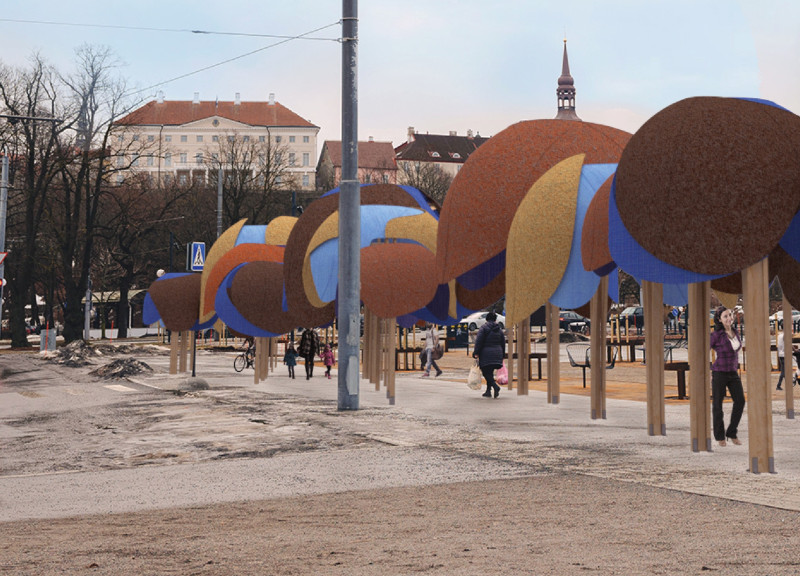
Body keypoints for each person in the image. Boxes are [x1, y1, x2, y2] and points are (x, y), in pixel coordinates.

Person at [710, 306, 746, 447]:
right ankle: (720, 436)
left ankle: (731, 432)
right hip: (719, 372)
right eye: (725, 316)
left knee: (740, 401)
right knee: (718, 405)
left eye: (730, 315)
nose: (729, 318)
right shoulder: (716, 335)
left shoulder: (736, 332)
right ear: (719, 319)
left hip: (733, 372)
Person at [472, 311, 505, 398]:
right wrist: (502, 355)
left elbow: (479, 341)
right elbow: (503, 343)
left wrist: (476, 352)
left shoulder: (483, 328)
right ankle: (488, 391)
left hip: (486, 354)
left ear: (486, 319)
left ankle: (495, 386)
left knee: (486, 372)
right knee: (489, 372)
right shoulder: (499, 329)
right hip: (498, 353)